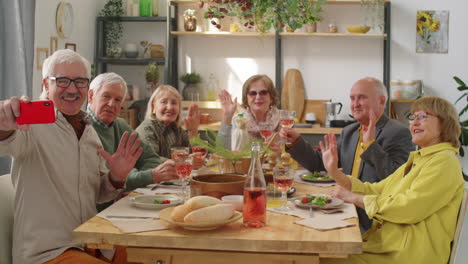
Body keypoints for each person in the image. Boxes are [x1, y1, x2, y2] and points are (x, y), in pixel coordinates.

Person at [0, 49, 142, 264]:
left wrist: (116, 176)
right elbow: (7, 141)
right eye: (63, 81)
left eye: (80, 82)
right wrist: (4, 125)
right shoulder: (30, 124)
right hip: (48, 253)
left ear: (87, 87)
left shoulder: (89, 130)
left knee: (149, 252)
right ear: (47, 85)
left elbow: (98, 194)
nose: (73, 89)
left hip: (90, 243)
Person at [320, 96, 464, 264]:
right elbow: (376, 189)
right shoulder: (420, 159)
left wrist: (354, 198)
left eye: (423, 116)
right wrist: (335, 172)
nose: (414, 123)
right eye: (413, 117)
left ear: (445, 123)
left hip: (406, 257)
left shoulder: (444, 162)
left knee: (319, 259)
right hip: (386, 248)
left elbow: (409, 208)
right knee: (319, 255)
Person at [280, 77, 414, 231]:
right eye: (352, 98)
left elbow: (396, 179)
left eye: (362, 98)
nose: (355, 104)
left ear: (381, 101)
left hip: (373, 220)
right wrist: (296, 142)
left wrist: (370, 145)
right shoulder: (350, 132)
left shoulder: (398, 132)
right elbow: (320, 165)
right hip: (345, 209)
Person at [87, 72, 178, 211]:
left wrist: (127, 182)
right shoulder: (83, 128)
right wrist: (147, 176)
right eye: (106, 96)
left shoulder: (120, 125)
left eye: (118, 100)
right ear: (91, 96)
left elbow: (150, 158)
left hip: (122, 204)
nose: (111, 104)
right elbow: (99, 186)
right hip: (95, 211)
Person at [135, 85, 200, 160]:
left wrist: (193, 131)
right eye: (163, 102)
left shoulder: (177, 130)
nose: (169, 107)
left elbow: (194, 155)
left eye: (174, 103)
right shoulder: (147, 129)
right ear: (153, 107)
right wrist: (186, 161)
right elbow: (152, 161)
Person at [218, 74, 280, 150]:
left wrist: (280, 154)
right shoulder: (239, 121)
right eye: (252, 93)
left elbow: (290, 154)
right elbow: (222, 151)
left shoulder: (282, 120)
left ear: (271, 97)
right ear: (246, 98)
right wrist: (227, 116)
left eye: (263, 92)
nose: (258, 97)